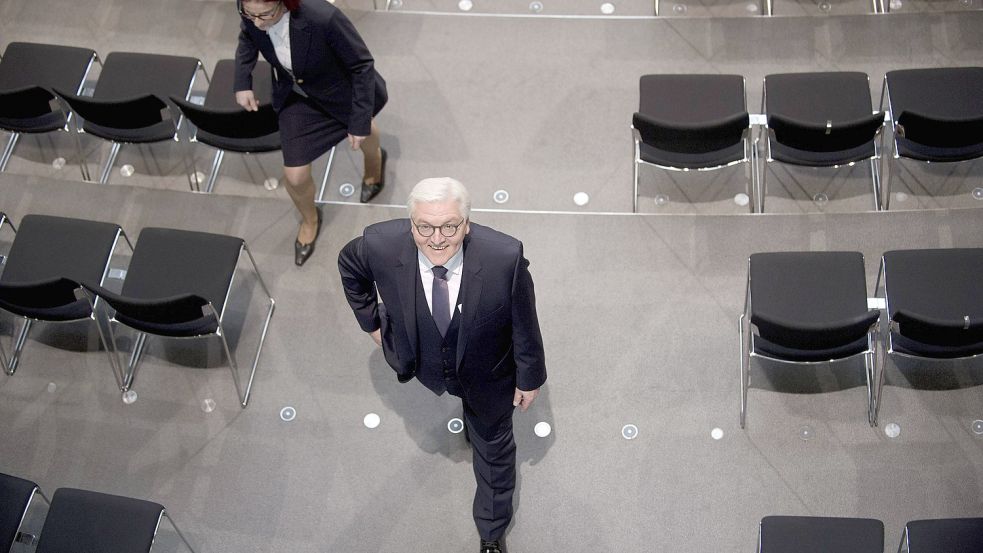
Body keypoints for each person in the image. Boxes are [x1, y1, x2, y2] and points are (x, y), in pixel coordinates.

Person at [338, 178, 547, 553]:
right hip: (427, 366)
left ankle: (490, 530)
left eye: (449, 226)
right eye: (425, 227)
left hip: (489, 374)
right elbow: (350, 267)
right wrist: (372, 324)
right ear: (411, 223)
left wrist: (529, 377)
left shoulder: (505, 257)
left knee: (494, 452)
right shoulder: (378, 245)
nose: (437, 238)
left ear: (466, 223)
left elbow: (524, 321)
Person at [235, 0, 388, 266]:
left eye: (264, 15)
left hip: (340, 91)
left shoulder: (323, 17)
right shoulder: (250, 11)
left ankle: (374, 166)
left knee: (365, 133)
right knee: (294, 176)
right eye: (250, 15)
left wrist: (359, 119)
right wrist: (242, 81)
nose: (257, 22)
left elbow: (362, 66)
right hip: (298, 98)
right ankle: (310, 219)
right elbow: (248, 37)